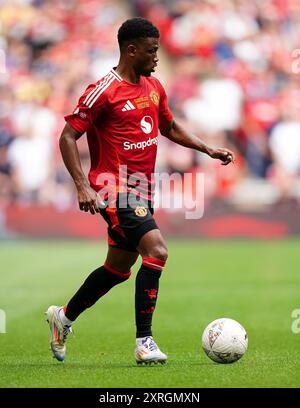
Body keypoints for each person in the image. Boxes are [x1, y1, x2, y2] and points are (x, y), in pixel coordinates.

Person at [46, 17, 234, 365]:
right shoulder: (103, 90)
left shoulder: (154, 86)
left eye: (158, 51)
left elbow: (170, 126)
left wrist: (206, 148)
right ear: (131, 50)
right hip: (112, 188)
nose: (157, 58)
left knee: (118, 268)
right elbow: (67, 136)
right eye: (151, 51)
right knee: (157, 250)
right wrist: (82, 185)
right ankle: (144, 341)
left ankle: (64, 317)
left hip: (143, 189)